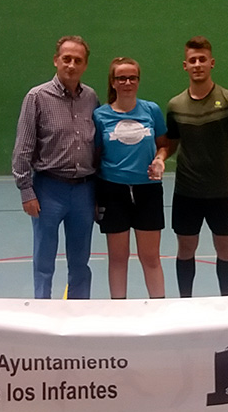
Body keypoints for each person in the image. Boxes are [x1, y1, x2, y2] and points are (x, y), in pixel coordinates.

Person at [157, 36, 228, 297]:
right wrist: (160, 157)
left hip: (223, 192)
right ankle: (186, 303)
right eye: (192, 60)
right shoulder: (175, 106)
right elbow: (171, 144)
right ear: (185, 65)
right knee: (186, 250)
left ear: (212, 63)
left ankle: (227, 304)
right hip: (187, 193)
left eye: (202, 59)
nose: (197, 64)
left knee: (225, 250)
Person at [11, 36, 99, 299]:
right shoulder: (37, 97)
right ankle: (42, 309)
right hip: (48, 189)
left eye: (78, 60)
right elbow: (23, 148)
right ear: (56, 60)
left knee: (80, 261)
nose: (71, 65)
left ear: (85, 65)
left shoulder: (91, 98)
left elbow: (97, 146)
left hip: (84, 191)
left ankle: (79, 309)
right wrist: (26, 190)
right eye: (66, 59)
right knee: (44, 259)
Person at [94, 57, 168, 299]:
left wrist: (160, 159)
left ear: (138, 80)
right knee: (118, 258)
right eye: (121, 78)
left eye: (132, 78)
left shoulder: (151, 110)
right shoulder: (100, 116)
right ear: (113, 82)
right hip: (112, 191)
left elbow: (164, 145)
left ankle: (158, 308)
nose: (127, 82)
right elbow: (95, 156)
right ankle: (119, 310)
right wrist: (95, 197)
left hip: (148, 190)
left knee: (151, 257)